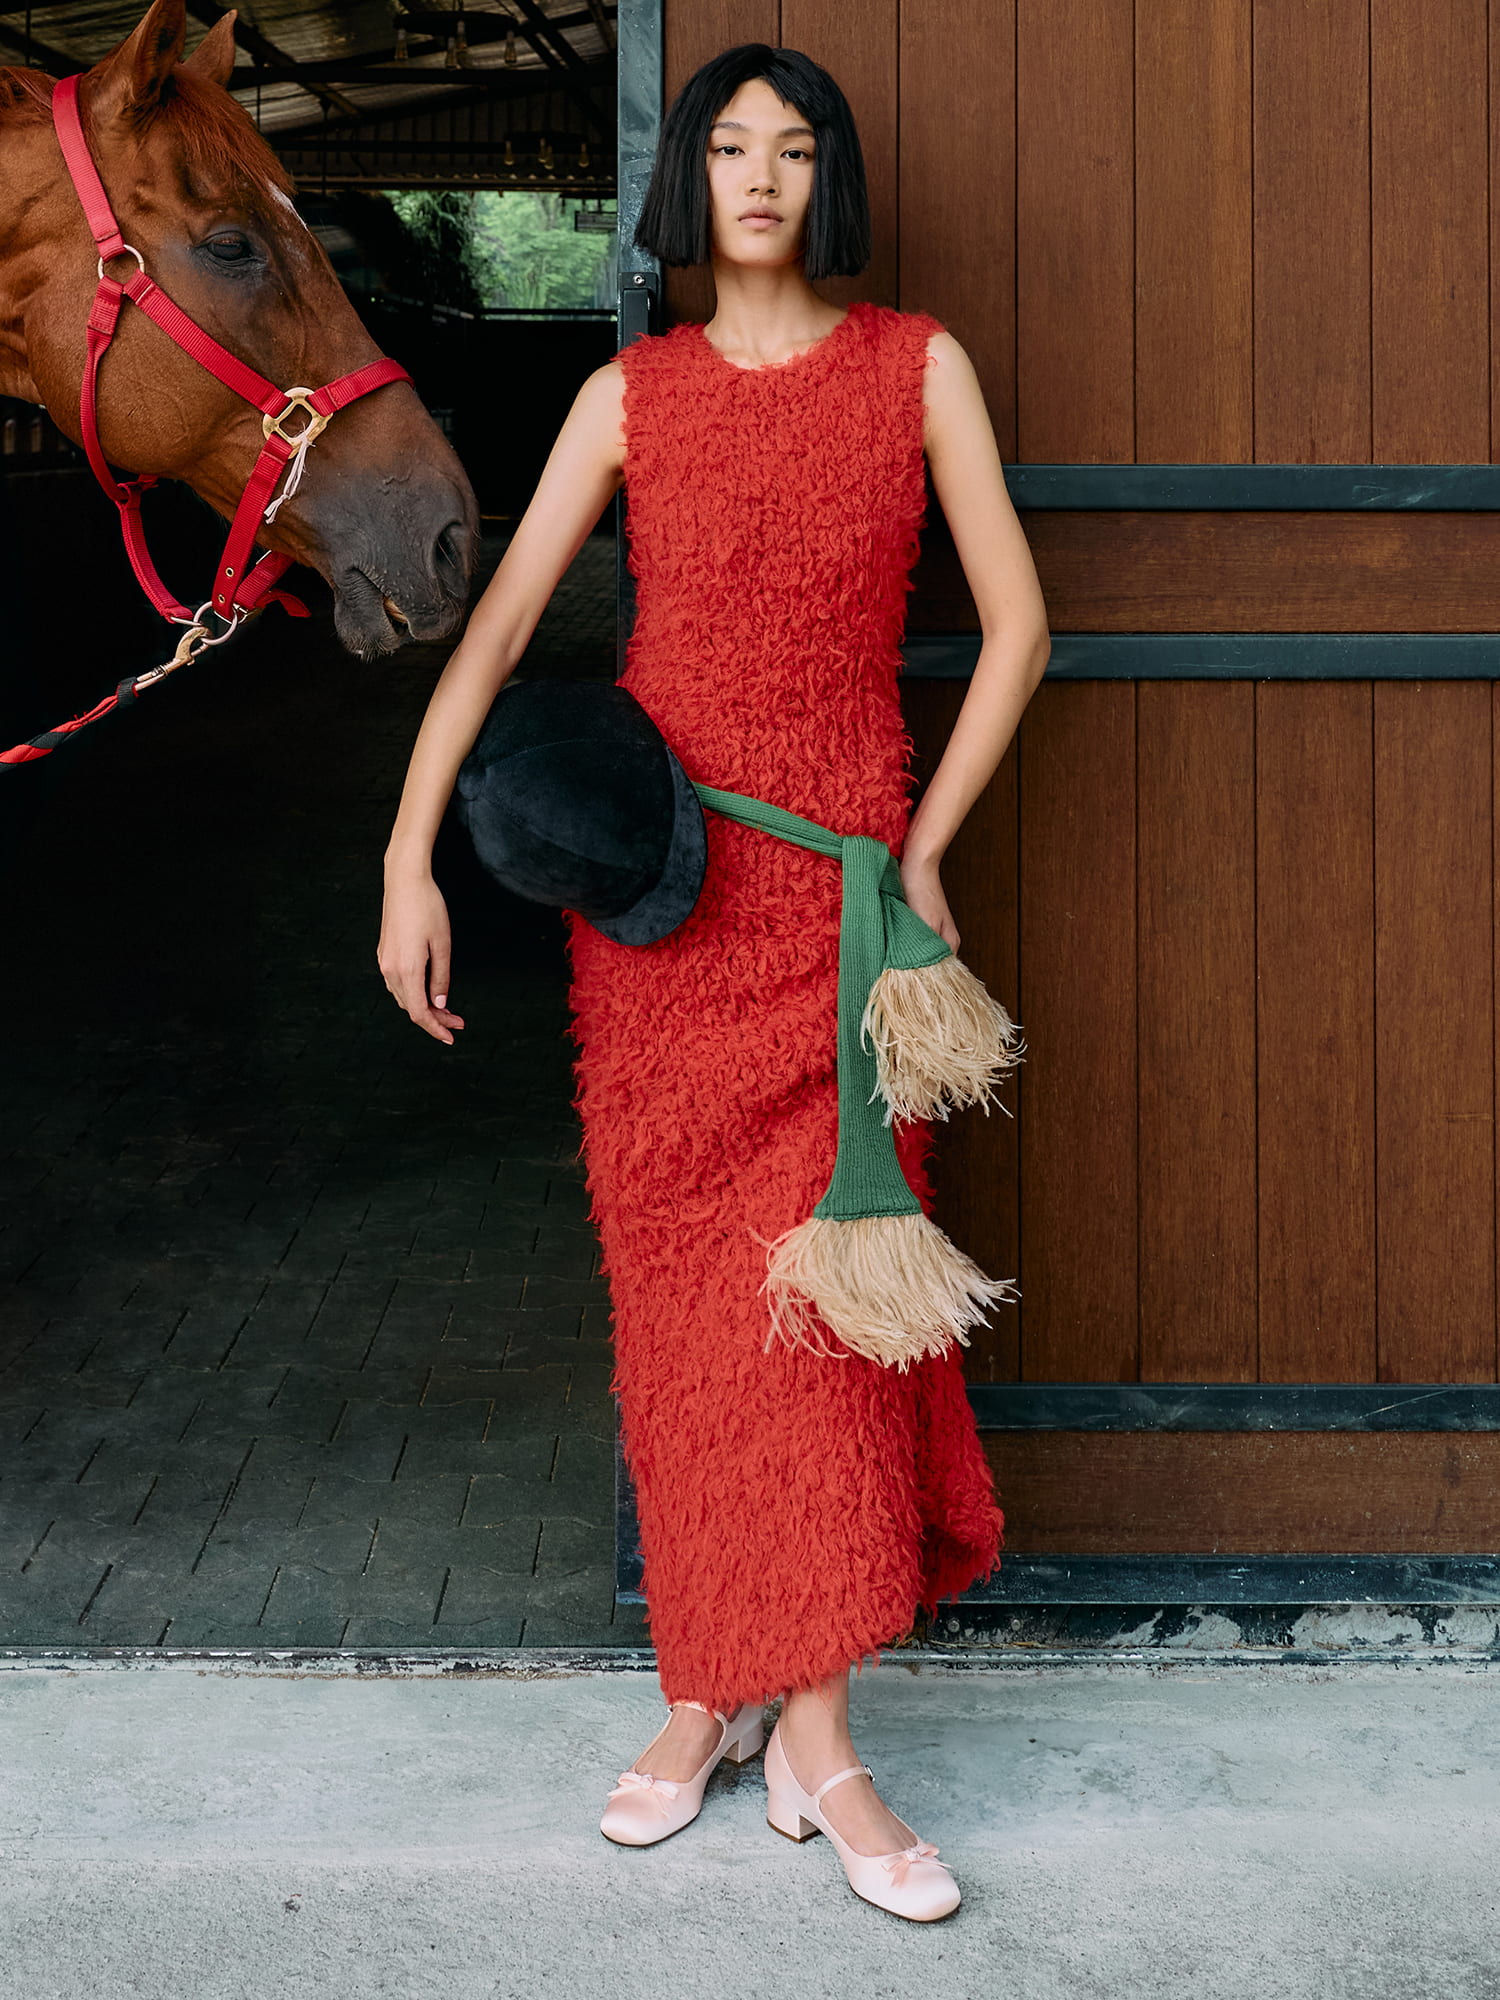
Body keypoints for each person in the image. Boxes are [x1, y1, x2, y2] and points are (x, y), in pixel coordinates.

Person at [378, 42, 1049, 1922]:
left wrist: (917, 849)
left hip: (843, 935)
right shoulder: (628, 395)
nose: (760, 172)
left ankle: (815, 1736)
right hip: (661, 929)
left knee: (828, 1317)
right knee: (688, 1326)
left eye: (794, 145)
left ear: (827, 176)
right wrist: (403, 853)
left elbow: (1019, 626)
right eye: (728, 145)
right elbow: (503, 624)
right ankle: (704, 1688)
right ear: (689, 180)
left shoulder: (918, 367)